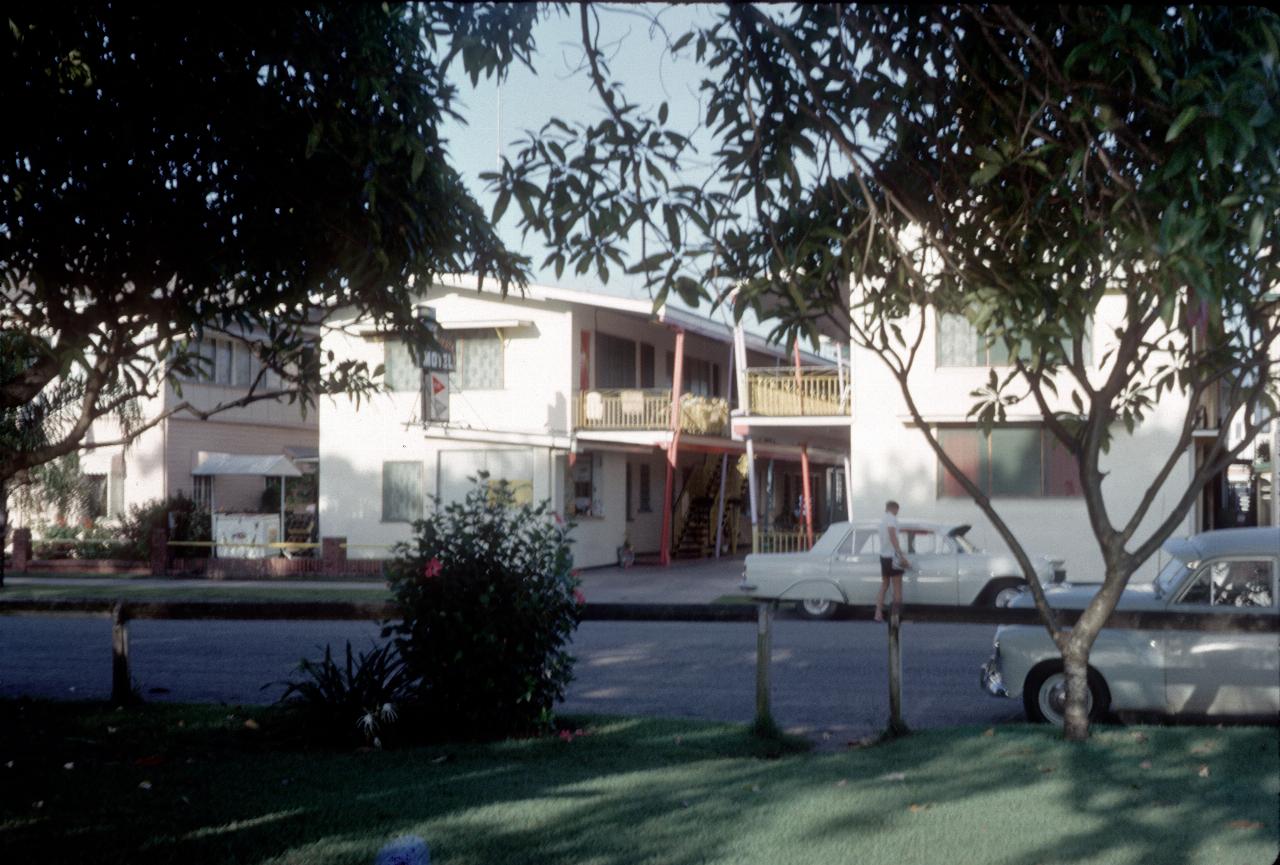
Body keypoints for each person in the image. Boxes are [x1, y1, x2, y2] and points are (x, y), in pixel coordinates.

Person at [875, 500, 910, 622]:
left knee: (884, 585)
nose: (897, 513)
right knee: (897, 588)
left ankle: (878, 613)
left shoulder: (882, 521)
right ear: (894, 509)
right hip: (893, 557)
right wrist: (900, 554)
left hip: (883, 557)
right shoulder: (891, 519)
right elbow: (892, 535)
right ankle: (895, 618)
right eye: (897, 510)